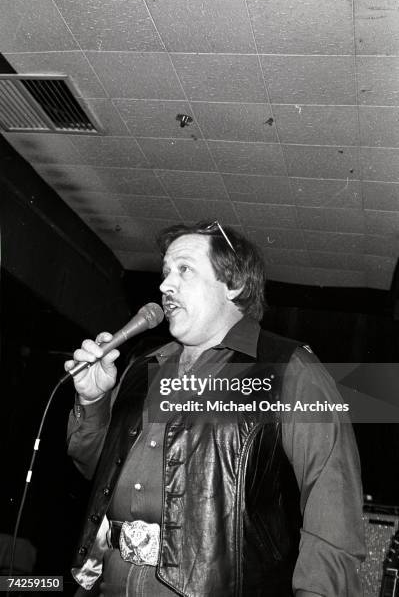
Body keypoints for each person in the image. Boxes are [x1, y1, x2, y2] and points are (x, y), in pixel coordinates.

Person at [66, 221, 365, 597]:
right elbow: (94, 471)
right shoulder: (142, 367)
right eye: (165, 272)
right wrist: (92, 402)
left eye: (184, 269)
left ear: (234, 285)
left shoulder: (288, 368)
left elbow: (332, 502)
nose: (164, 286)